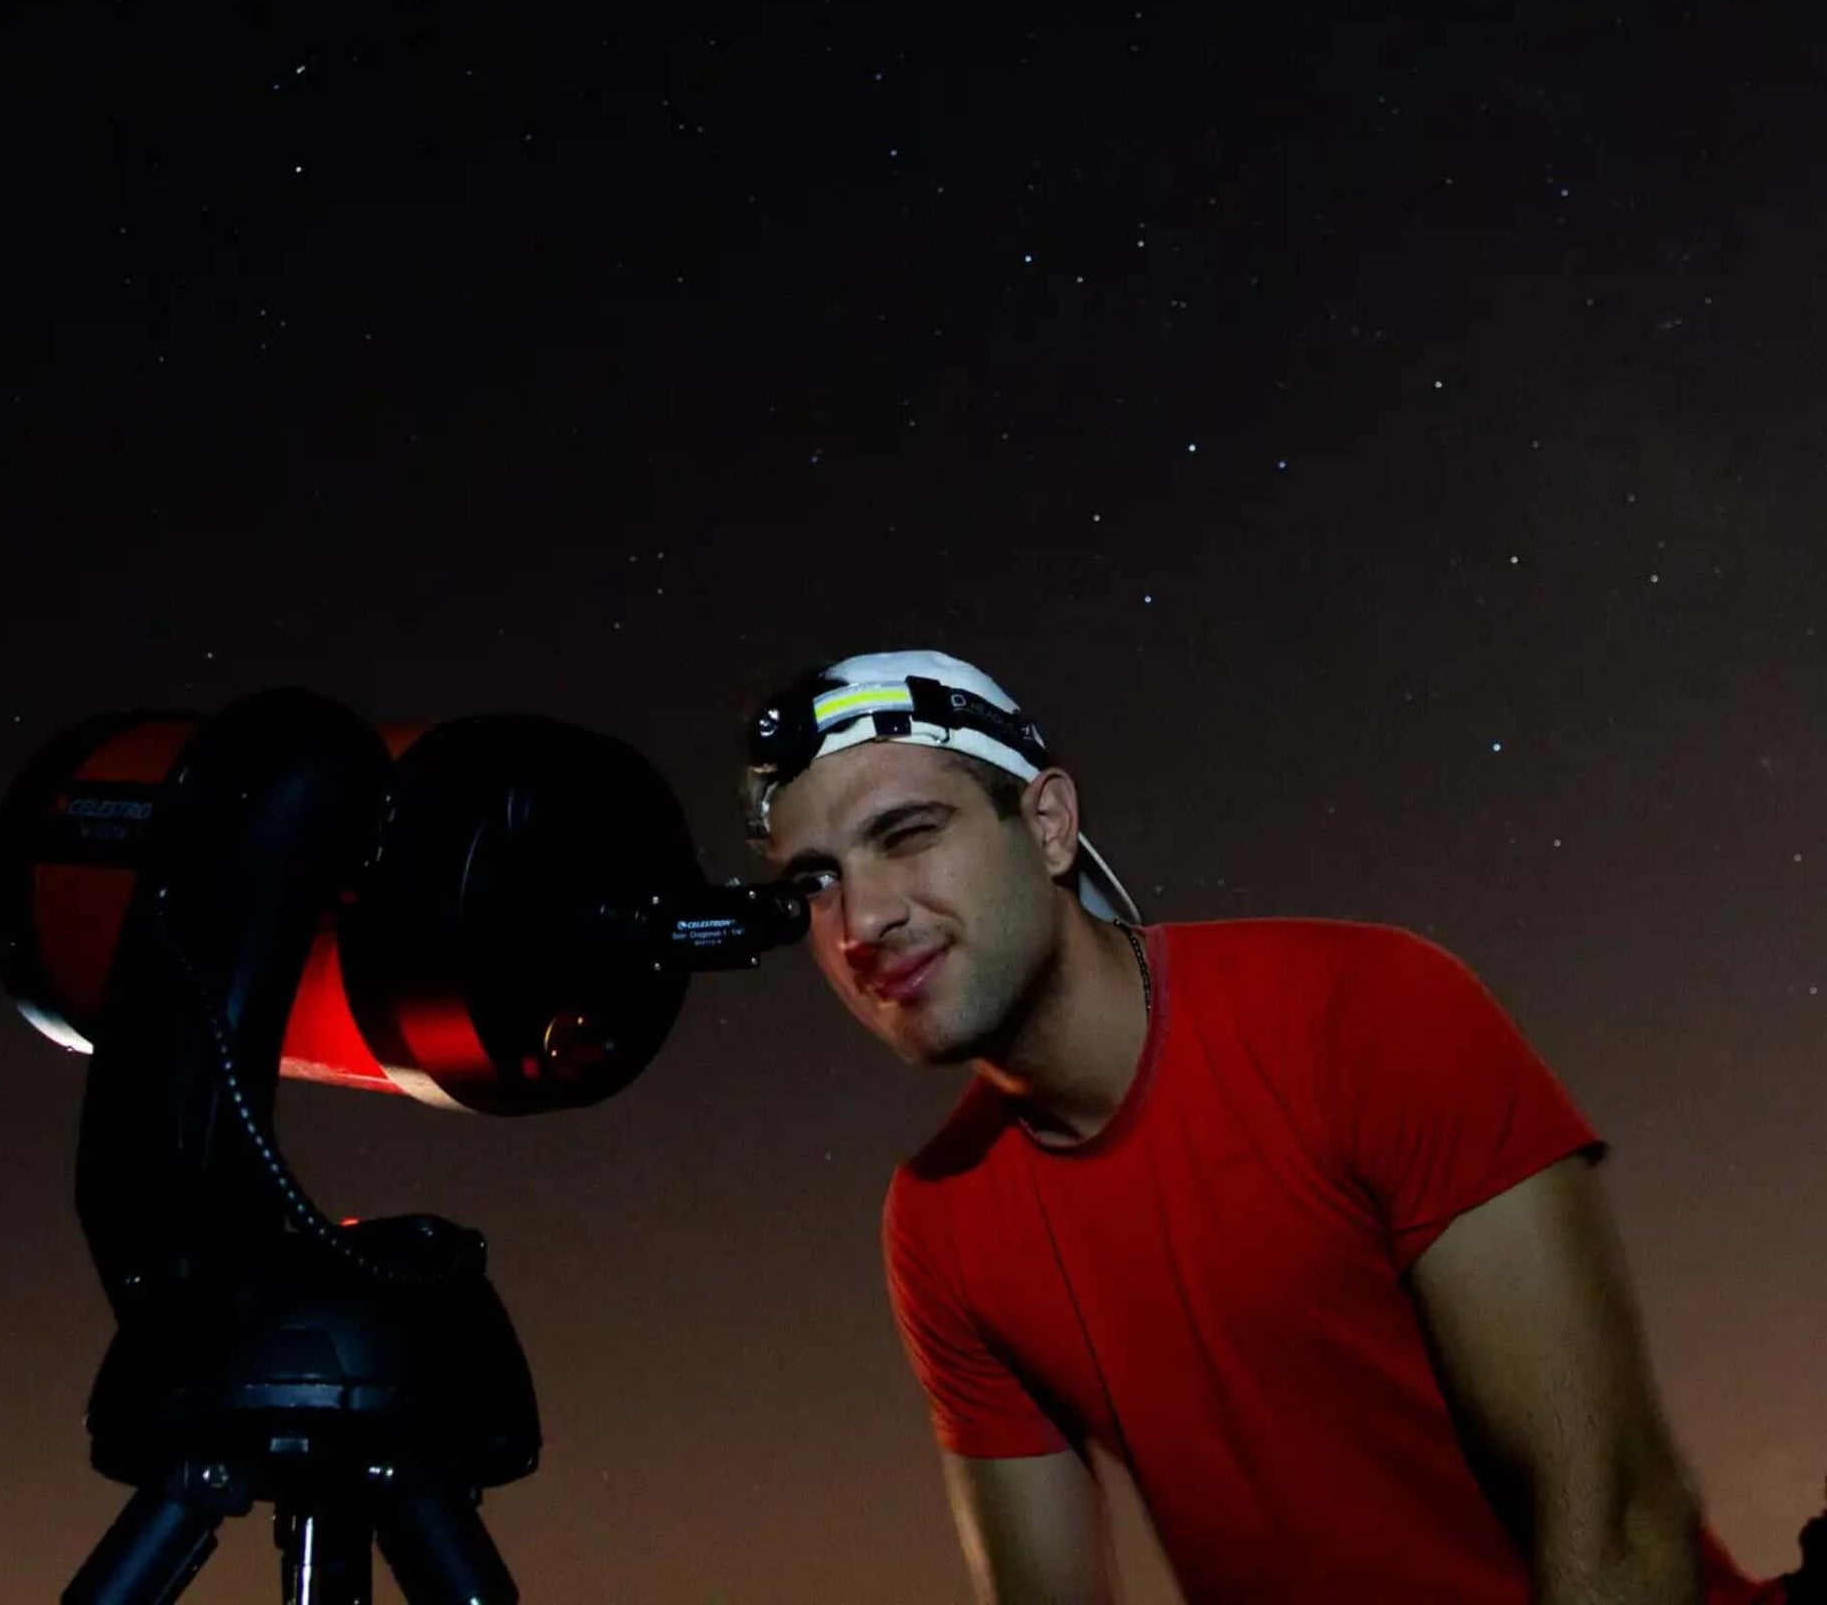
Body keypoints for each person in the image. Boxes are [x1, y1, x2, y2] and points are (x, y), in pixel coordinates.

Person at [740, 650, 1785, 1605]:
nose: (859, 920)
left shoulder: (1366, 1011)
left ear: (1049, 824)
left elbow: (1615, 1520)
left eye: (907, 833)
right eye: (812, 882)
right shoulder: (936, 1221)